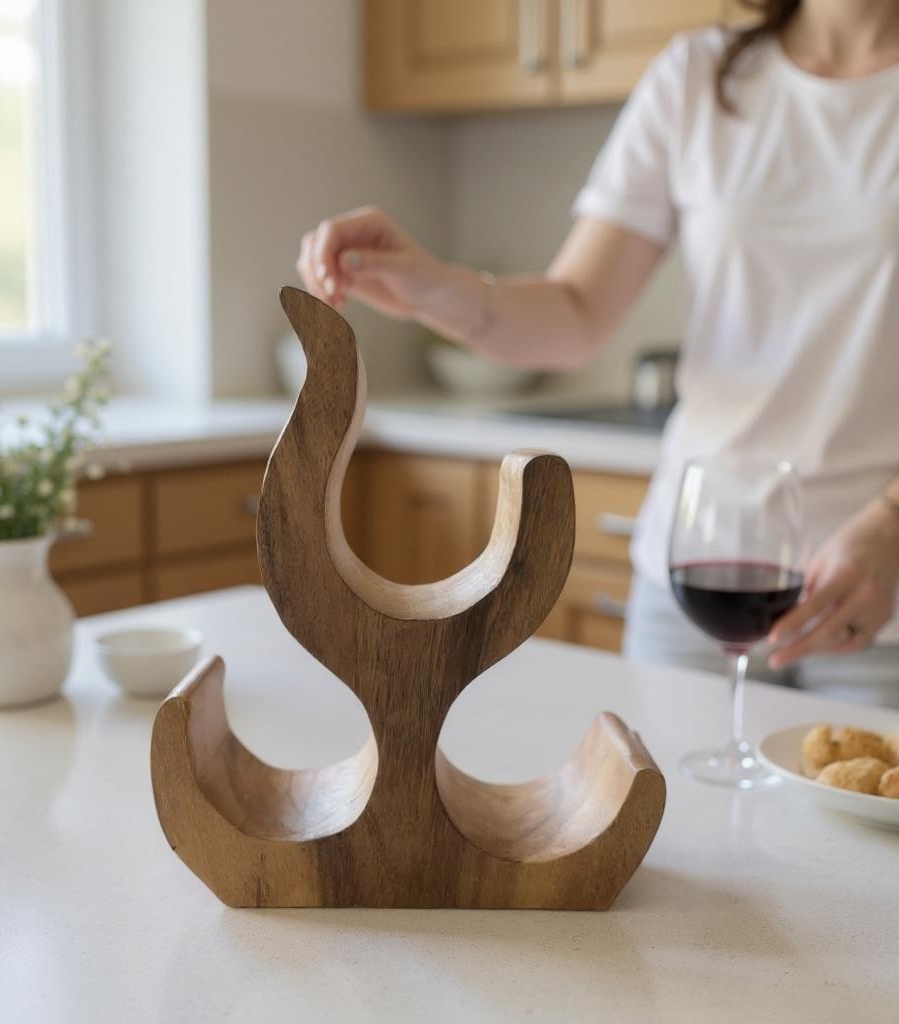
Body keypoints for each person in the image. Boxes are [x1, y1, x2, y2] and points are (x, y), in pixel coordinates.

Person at [296, 0, 899, 706]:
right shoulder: (697, 76)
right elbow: (575, 311)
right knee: (672, 812)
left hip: (881, 608)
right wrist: (430, 284)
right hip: (694, 588)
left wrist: (891, 525)